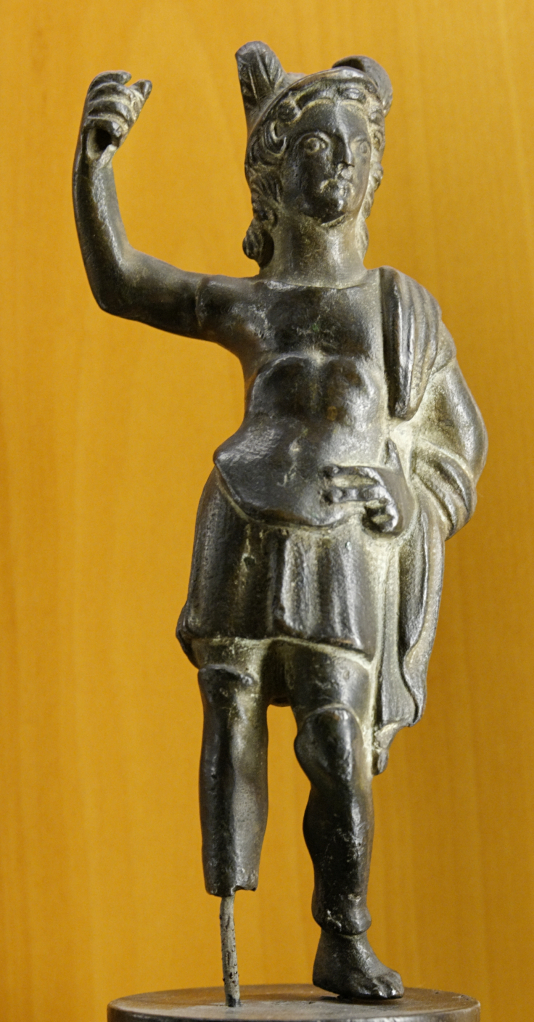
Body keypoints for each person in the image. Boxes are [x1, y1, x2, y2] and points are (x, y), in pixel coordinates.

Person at [73, 42, 487, 1001]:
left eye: (350, 148)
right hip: (240, 524)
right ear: (272, 176)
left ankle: (342, 933)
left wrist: (405, 499)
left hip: (341, 544)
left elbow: (457, 442)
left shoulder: (399, 311)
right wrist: (94, 167)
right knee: (230, 722)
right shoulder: (253, 305)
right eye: (310, 147)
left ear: (373, 171)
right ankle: (227, 921)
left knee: (335, 742)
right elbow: (123, 280)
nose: (333, 164)